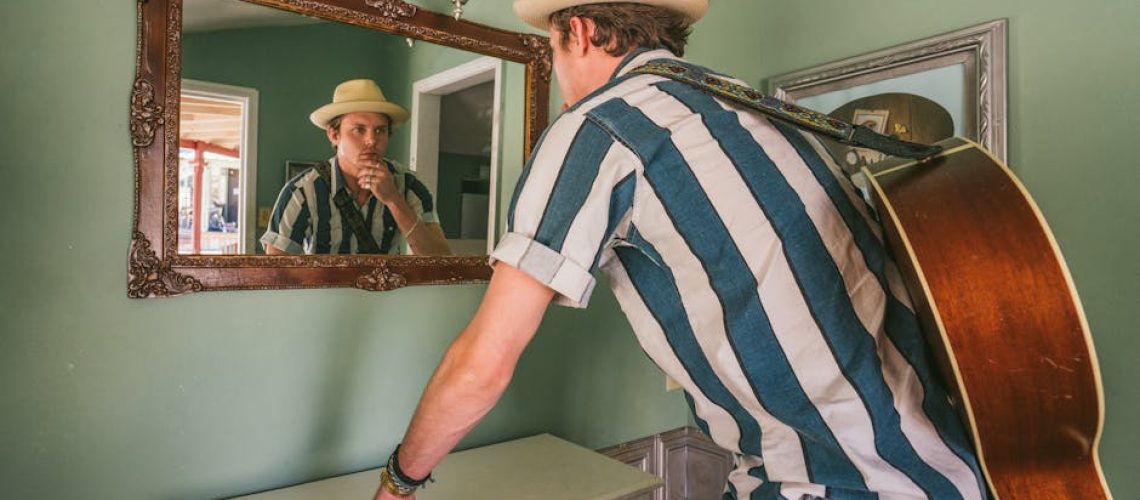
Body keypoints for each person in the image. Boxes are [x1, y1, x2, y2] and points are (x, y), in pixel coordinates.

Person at [373, 1, 987, 498]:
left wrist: (399, 481)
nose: (560, 79)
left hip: (827, 481)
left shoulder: (597, 124)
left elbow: (485, 362)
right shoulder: (762, 107)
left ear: (579, 33)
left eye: (554, 52)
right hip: (953, 464)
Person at [261, 79, 451, 255]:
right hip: (324, 291)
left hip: (390, 292)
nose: (371, 140)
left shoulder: (409, 185)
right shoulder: (301, 192)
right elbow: (277, 273)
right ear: (334, 135)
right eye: (359, 130)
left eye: (380, 130)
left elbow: (441, 260)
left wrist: (393, 200)